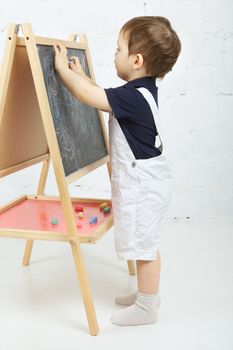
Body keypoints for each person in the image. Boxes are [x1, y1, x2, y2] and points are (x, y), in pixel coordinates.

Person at [54, 15, 181, 327]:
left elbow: (89, 97)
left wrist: (63, 73)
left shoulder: (131, 98)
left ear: (136, 60)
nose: (114, 54)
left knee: (144, 246)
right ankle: (147, 294)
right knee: (144, 242)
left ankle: (147, 307)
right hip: (148, 181)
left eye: (118, 48)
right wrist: (83, 74)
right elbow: (102, 96)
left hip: (143, 185)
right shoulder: (140, 92)